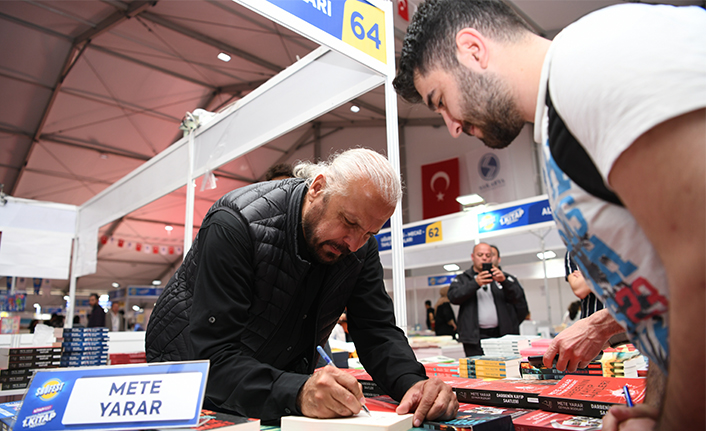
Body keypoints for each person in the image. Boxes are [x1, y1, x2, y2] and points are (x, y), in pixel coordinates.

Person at [393, 1, 705, 429]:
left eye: (441, 100)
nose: (452, 126)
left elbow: (698, 267)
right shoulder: (560, 123)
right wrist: (657, 407)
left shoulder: (593, 62)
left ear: (472, 49)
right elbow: (666, 296)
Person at [145, 148, 458, 426]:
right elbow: (212, 357)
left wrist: (413, 383)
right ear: (318, 188)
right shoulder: (234, 224)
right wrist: (297, 391)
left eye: (368, 233)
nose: (353, 243)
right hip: (188, 385)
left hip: (266, 387)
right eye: (349, 222)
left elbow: (376, 330)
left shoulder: (359, 248)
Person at [447, 243, 529, 356]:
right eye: (480, 255)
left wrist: (504, 282)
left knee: (504, 366)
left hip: (502, 336)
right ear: (473, 257)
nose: (484, 258)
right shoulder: (463, 278)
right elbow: (453, 297)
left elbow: (519, 299)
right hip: (474, 338)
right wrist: (475, 283)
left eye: (488, 255)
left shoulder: (504, 277)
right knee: (477, 366)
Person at [490, 244, 530, 322]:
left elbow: (521, 304)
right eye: (487, 255)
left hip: (507, 327)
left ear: (498, 259)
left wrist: (512, 324)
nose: (489, 258)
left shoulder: (510, 279)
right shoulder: (473, 280)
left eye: (492, 255)